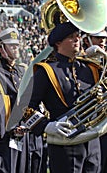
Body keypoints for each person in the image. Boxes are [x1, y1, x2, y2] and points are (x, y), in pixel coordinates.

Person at [23, 22, 101, 172]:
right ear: (58, 42)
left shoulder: (90, 68)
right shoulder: (46, 70)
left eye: (78, 36)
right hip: (65, 144)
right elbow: (25, 107)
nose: (77, 39)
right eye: (71, 37)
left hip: (92, 143)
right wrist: (46, 126)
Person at [0, 28, 47, 173]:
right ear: (1, 49)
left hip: (30, 130)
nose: (16, 48)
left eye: (17, 44)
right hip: (10, 133)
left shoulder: (23, 70)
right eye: (11, 45)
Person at [82, 29, 107, 173]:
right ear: (87, 40)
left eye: (104, 38)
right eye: (98, 38)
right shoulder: (81, 62)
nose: (102, 41)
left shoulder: (104, 59)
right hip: (91, 122)